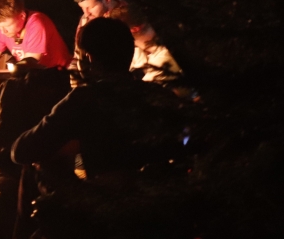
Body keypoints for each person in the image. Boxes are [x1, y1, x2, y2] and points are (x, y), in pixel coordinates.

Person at [11, 17, 185, 185]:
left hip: (108, 197)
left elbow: (21, 151)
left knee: (44, 165)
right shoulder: (157, 94)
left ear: (89, 58)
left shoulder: (84, 99)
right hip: (164, 192)